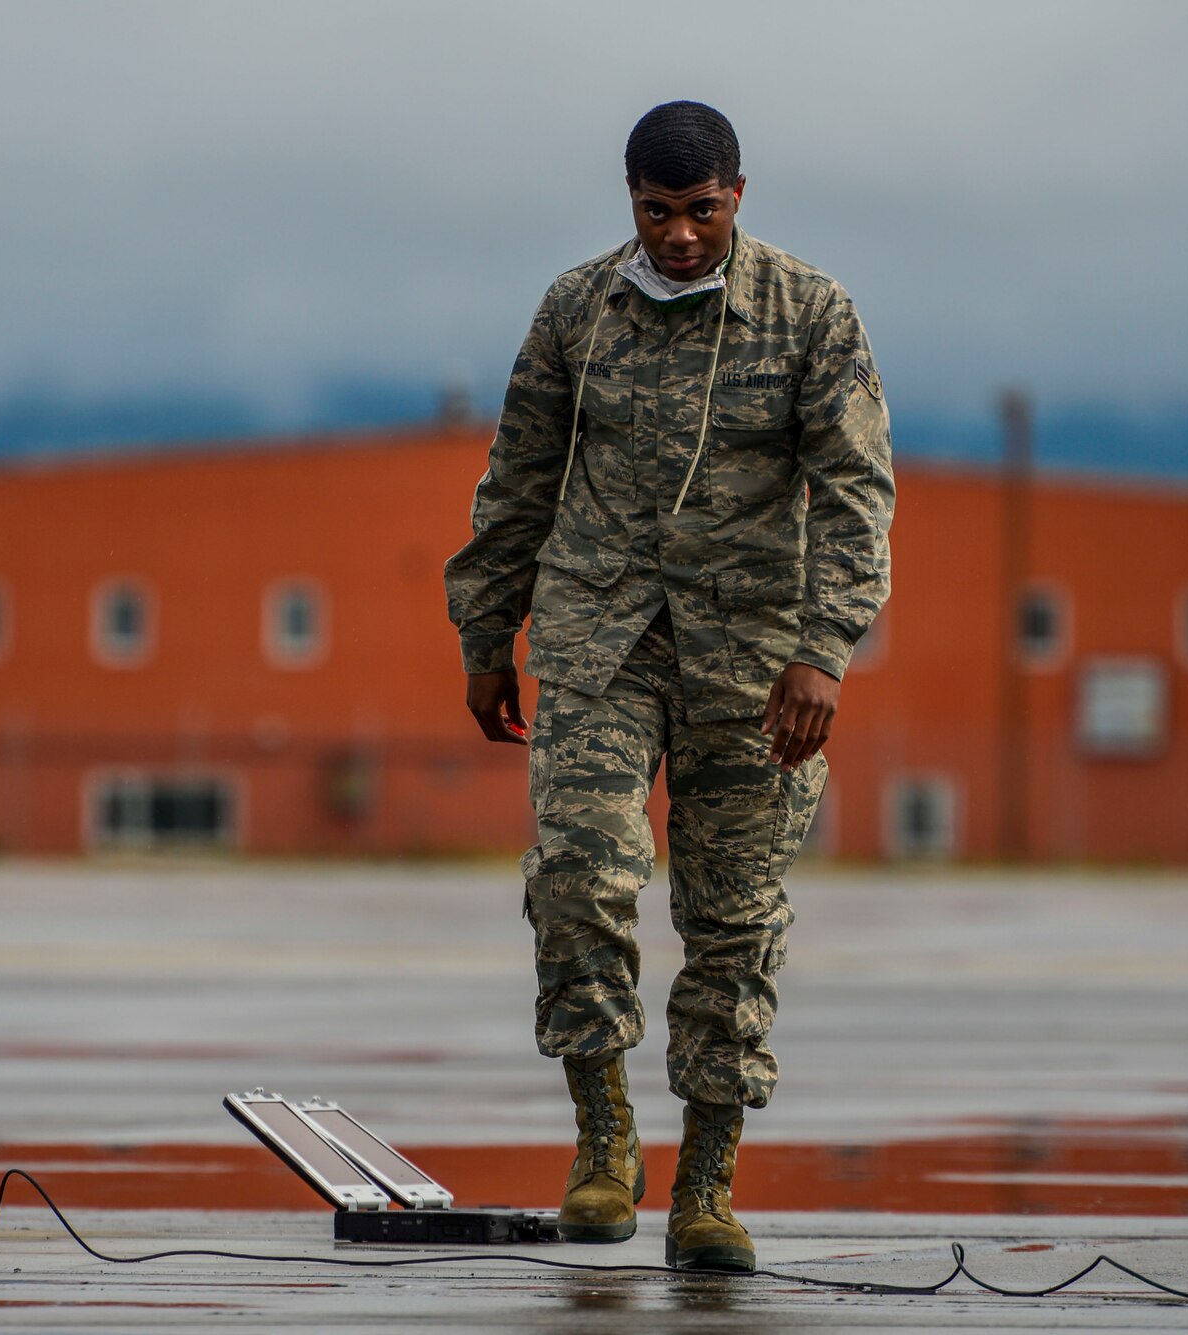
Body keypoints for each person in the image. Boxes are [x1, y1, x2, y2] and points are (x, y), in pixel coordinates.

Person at [443, 100, 894, 1272]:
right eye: (657, 212)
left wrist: (823, 648)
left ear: (736, 194)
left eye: (700, 212)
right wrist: (487, 627)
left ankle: (706, 1183)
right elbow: (520, 470)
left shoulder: (809, 312)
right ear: (629, 201)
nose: (680, 236)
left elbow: (854, 492)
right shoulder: (575, 310)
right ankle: (602, 1141)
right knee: (581, 873)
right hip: (600, 634)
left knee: (732, 919)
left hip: (753, 657)